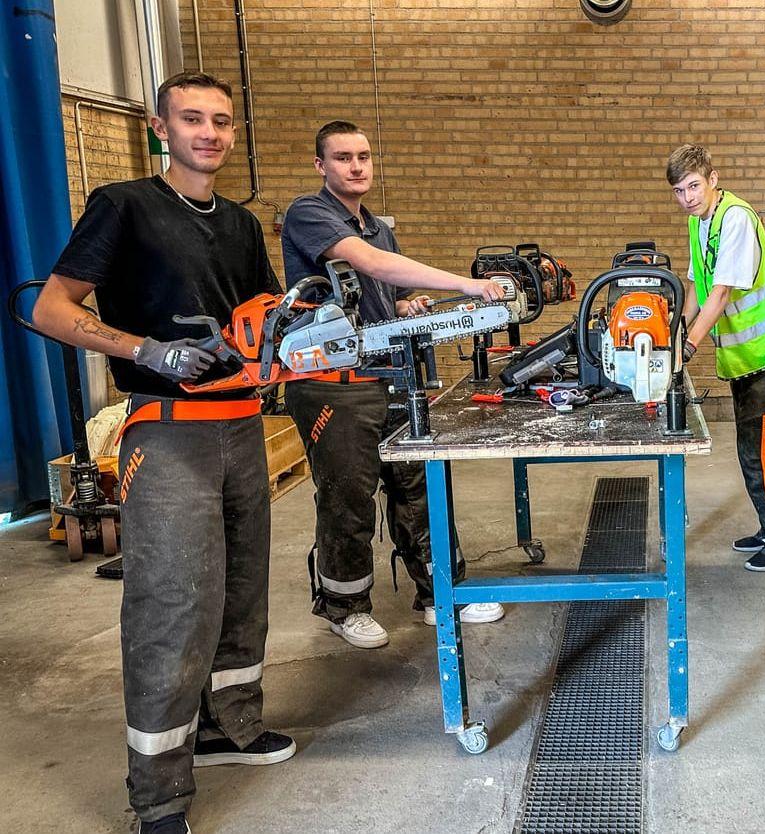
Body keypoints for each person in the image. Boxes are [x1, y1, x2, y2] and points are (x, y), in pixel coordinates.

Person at [33, 72, 293, 834]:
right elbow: (52, 307)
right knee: (173, 603)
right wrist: (149, 348)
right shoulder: (124, 206)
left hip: (243, 423)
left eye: (220, 120)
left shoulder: (241, 226)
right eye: (190, 118)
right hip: (168, 423)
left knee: (240, 589)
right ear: (160, 127)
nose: (207, 132)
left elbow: (265, 315)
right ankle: (160, 793)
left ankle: (229, 725)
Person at [280, 120, 506, 649]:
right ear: (321, 166)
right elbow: (370, 263)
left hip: (389, 373)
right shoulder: (310, 214)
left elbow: (373, 291)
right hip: (332, 381)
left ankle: (438, 594)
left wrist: (402, 307)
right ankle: (344, 605)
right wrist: (466, 285)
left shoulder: (378, 226)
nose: (356, 166)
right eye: (342, 158)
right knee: (348, 495)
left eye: (362, 156)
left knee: (419, 487)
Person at [666, 144, 765, 572]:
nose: (687, 196)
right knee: (751, 446)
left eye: (693, 185)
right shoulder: (699, 222)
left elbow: (722, 293)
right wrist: (674, 331)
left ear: (713, 178)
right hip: (745, 355)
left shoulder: (736, 219)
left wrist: (686, 347)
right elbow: (696, 286)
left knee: (759, 448)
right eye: (679, 190)